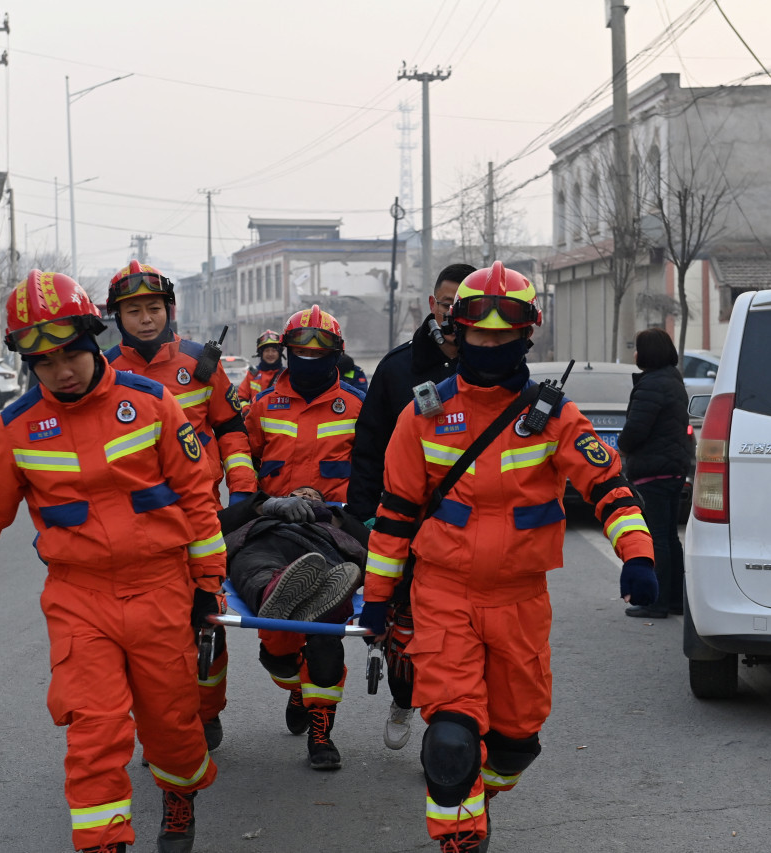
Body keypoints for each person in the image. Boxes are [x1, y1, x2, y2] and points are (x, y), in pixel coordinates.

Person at [357, 261, 657, 853]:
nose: (490, 344)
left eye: (503, 334)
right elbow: (393, 519)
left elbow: (609, 489)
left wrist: (639, 556)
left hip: (519, 602)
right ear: (459, 331)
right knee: (450, 740)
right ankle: (460, 835)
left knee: (517, 740)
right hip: (444, 596)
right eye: (479, 333)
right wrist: (376, 600)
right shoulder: (424, 416)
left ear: (526, 335)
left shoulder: (554, 418)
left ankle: (476, 796)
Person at [0, 270, 225, 853]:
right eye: (45, 363)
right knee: (94, 730)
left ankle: (180, 792)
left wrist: (207, 584)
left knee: (173, 728)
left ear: (92, 340)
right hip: (79, 597)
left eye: (71, 355)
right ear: (28, 365)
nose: (61, 370)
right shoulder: (16, 430)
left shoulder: (152, 403)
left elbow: (197, 498)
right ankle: (103, 843)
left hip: (161, 589)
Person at [103, 259, 254, 751]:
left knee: (206, 619)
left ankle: (206, 713)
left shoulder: (200, 365)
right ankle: (165, 729)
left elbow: (232, 429)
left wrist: (245, 490)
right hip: (133, 529)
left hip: (200, 519)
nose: (145, 319)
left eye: (153, 308)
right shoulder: (102, 372)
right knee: (148, 637)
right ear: (117, 318)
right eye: (133, 311)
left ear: (169, 310)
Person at [347, 261, 475, 751]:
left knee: (454, 637)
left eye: (463, 307)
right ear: (433, 305)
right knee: (402, 631)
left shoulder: (490, 371)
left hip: (465, 535)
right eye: (447, 304)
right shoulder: (398, 369)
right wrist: (362, 514)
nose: (453, 315)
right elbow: (369, 445)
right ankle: (403, 698)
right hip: (402, 523)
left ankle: (449, 737)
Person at [242, 304, 365, 771]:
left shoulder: (356, 406)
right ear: (287, 353)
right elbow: (242, 469)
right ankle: (294, 685)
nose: (310, 359)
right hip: (272, 523)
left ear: (337, 354)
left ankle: (322, 731)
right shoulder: (262, 406)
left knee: (326, 627)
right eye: (300, 351)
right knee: (276, 642)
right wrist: (259, 505)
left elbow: (374, 476)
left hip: (331, 529)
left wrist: (337, 507)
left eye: (321, 351)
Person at [617, 328, 694, 620]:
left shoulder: (652, 384)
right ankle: (675, 599)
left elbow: (637, 428)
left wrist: (623, 448)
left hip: (654, 470)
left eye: (637, 348)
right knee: (669, 537)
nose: (634, 354)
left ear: (648, 352)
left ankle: (657, 602)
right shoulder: (672, 381)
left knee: (657, 538)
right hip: (673, 469)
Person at [219, 487, 367, 623]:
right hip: (264, 540)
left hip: (324, 548)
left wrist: (336, 518)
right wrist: (264, 507)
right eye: (301, 491)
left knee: (335, 575)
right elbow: (219, 523)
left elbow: (370, 543)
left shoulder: (335, 516)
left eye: (315, 496)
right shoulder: (265, 506)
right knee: (256, 567)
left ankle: (313, 602)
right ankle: (273, 594)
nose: (308, 495)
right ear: (287, 496)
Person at [237, 329, 284, 402]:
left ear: (279, 353)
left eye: (274, 350)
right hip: (256, 413)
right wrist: (247, 411)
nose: (270, 354)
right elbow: (241, 397)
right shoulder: (253, 375)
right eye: (267, 350)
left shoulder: (286, 375)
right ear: (261, 353)